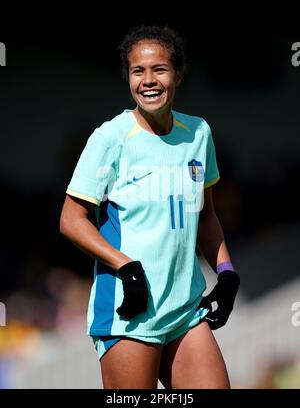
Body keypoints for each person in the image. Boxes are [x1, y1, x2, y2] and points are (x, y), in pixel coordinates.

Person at [59, 25, 240, 389]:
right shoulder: (110, 138)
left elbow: (206, 214)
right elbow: (71, 220)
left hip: (185, 311)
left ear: (178, 73)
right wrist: (125, 266)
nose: (148, 80)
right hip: (129, 311)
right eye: (138, 71)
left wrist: (226, 271)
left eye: (159, 69)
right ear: (128, 77)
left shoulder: (198, 133)